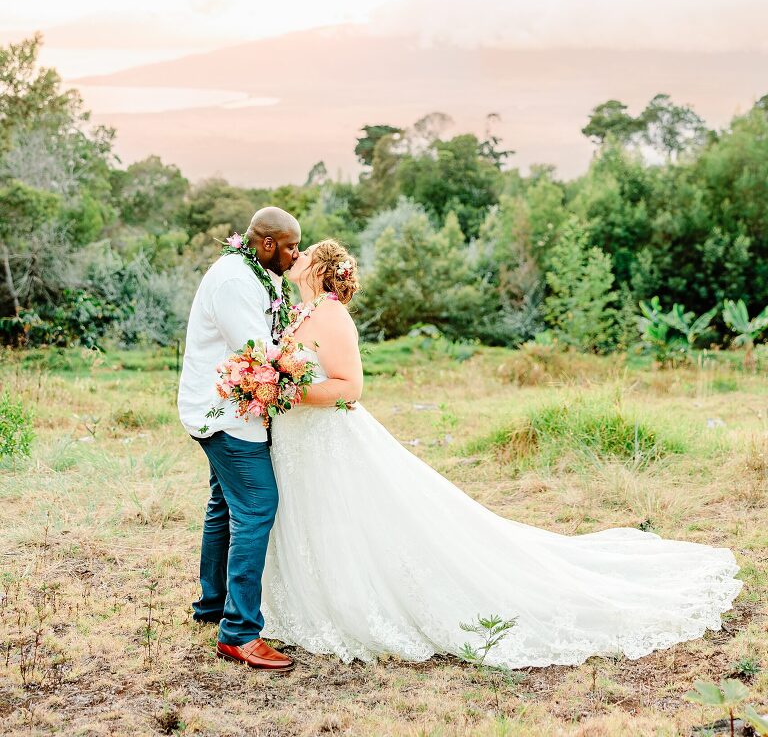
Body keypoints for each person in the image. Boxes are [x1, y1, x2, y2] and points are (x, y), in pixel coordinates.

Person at [260, 239, 742, 669]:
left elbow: (351, 387)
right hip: (303, 442)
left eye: (303, 253)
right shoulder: (300, 312)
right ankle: (321, 599)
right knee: (320, 518)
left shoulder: (331, 316)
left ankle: (359, 603)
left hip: (329, 437)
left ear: (320, 272)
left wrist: (286, 391)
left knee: (360, 518)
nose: (294, 257)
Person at [178, 206, 304, 671]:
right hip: (226, 412)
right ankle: (238, 633)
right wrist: (309, 359)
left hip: (229, 406)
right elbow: (257, 351)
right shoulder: (234, 280)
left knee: (225, 504)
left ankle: (212, 606)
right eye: (290, 246)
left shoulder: (256, 271)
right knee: (257, 505)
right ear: (267, 243)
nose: (296, 254)